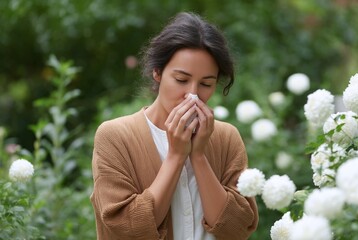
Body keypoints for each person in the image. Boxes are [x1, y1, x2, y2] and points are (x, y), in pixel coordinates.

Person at [90, 12, 258, 240]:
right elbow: (125, 229)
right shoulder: (115, 136)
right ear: (157, 72)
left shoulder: (227, 137)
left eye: (206, 84)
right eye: (181, 80)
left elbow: (237, 229)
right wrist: (176, 156)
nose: (193, 95)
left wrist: (198, 156)